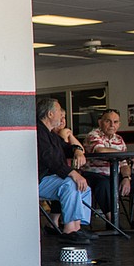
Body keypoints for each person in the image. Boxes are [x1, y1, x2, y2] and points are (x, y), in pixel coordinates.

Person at [37, 98, 93, 245]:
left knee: (85, 188)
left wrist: (77, 151)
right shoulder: (38, 132)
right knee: (71, 183)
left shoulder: (52, 135)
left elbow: (67, 147)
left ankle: (79, 226)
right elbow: (49, 159)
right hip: (38, 181)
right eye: (59, 112)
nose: (62, 117)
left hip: (51, 179)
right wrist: (73, 173)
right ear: (50, 114)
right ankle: (69, 230)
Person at [84, 109, 131, 208]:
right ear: (100, 122)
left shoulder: (119, 139)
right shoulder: (93, 135)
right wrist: (124, 154)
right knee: (104, 184)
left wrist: (126, 178)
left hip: (115, 174)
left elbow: (124, 164)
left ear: (119, 124)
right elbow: (100, 150)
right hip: (94, 174)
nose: (112, 125)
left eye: (115, 122)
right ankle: (112, 221)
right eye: (108, 121)